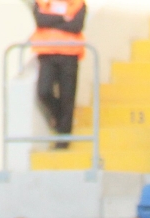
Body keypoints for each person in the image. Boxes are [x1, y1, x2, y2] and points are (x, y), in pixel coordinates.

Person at [29, 0, 86, 146]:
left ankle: (64, 138)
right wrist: (63, 17)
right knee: (44, 91)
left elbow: (76, 26)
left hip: (70, 53)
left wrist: (52, 20)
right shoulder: (42, 2)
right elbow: (41, 21)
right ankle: (61, 119)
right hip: (47, 53)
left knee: (67, 96)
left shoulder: (78, 3)